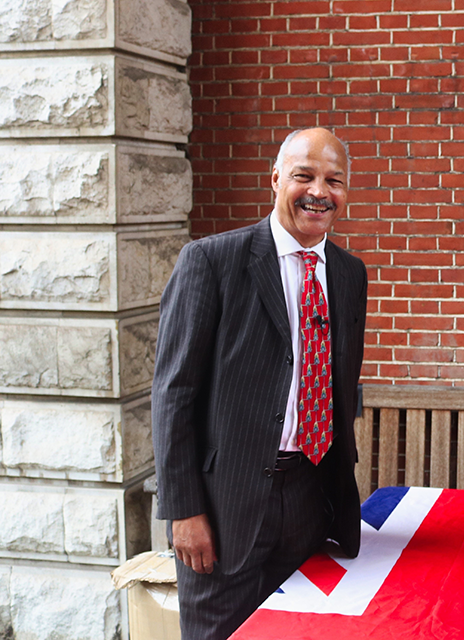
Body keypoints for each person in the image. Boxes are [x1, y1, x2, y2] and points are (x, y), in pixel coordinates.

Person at [152, 128, 367, 640]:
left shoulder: (349, 273)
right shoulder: (211, 262)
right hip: (225, 513)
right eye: (304, 176)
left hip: (313, 501)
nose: (319, 191)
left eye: (334, 180)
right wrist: (184, 511)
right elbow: (173, 394)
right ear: (275, 180)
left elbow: (339, 385)